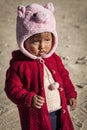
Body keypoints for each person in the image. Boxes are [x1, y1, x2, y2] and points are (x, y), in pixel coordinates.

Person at [5, 2, 77, 130]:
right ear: (23, 40)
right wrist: (28, 97)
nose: (42, 46)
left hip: (60, 110)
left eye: (47, 40)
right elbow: (11, 88)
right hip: (36, 117)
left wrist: (70, 94)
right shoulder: (19, 64)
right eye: (36, 41)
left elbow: (64, 77)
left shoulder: (54, 58)